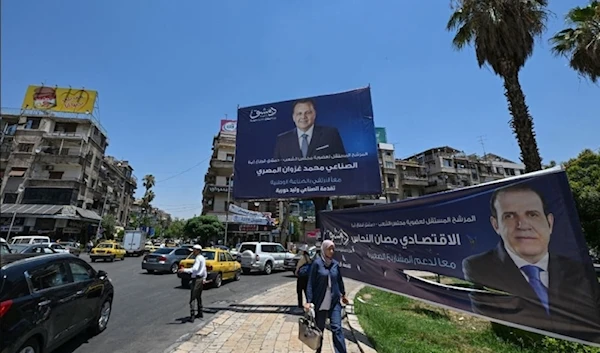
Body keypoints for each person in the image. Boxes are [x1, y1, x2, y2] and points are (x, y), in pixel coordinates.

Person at [463, 183, 600, 341]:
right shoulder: (478, 268)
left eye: (532, 214)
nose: (523, 225)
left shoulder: (578, 270)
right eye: (509, 216)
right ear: (496, 225)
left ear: (549, 223)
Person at [304, 240, 348, 353]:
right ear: (324, 249)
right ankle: (318, 351)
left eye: (333, 249)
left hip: (334, 302)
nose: (332, 251)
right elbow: (310, 284)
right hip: (320, 302)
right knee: (319, 331)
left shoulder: (335, 265)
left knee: (337, 329)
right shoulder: (317, 264)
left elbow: (339, 281)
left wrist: (343, 294)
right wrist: (308, 301)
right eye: (329, 249)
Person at [273, 99, 348, 163]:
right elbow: (276, 170)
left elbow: (343, 164)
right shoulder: (282, 140)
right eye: (299, 113)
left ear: (314, 114)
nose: (303, 117)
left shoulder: (330, 134)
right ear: (293, 117)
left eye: (307, 113)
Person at [178, 244, 207, 321]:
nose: (193, 252)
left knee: (192, 298)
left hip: (196, 279)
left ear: (197, 251)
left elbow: (195, 269)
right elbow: (204, 269)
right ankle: (200, 313)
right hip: (200, 279)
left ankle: (192, 315)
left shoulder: (198, 258)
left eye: (194, 250)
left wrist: (184, 270)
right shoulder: (202, 258)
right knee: (199, 297)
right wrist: (204, 278)